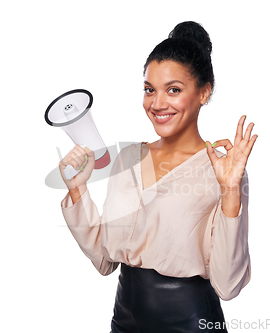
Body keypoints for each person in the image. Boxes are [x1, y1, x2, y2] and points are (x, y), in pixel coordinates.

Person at [58, 21, 257, 333]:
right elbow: (105, 260)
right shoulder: (127, 159)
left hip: (191, 322)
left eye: (173, 90)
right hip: (124, 320)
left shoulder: (222, 172)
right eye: (149, 90)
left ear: (203, 92)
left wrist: (231, 191)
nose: (157, 104)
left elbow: (228, 285)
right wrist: (77, 189)